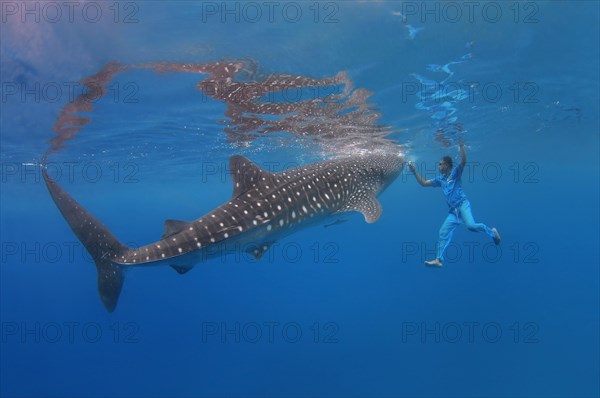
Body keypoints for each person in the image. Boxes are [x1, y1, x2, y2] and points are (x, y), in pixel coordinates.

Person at [408, 144, 500, 267]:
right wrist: (414, 171)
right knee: (442, 232)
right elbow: (424, 183)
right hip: (454, 212)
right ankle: (439, 260)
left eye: (440, 164)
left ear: (446, 165)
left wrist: (461, 145)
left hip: (463, 205)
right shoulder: (440, 180)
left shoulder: (455, 173)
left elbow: (463, 161)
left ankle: (493, 233)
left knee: (471, 226)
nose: (438, 166)